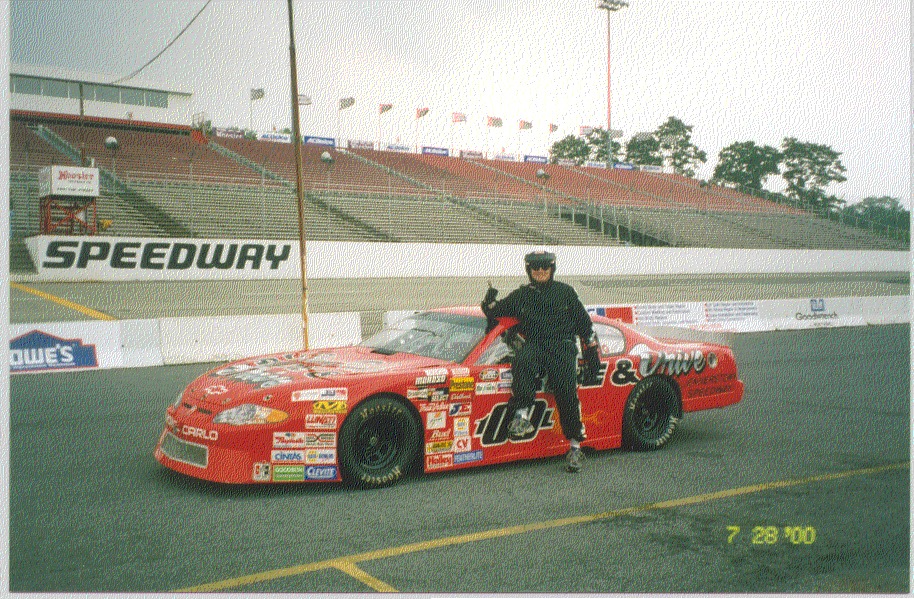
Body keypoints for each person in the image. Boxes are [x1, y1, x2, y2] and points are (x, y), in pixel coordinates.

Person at [481, 250, 601, 472]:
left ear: (552, 269)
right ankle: (522, 416)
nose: (540, 271)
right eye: (535, 268)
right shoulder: (522, 294)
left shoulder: (566, 292)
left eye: (545, 267)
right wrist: (488, 302)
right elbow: (494, 312)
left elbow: (586, 326)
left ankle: (575, 447)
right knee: (523, 360)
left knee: (565, 393)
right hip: (535, 344)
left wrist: (592, 355)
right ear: (529, 270)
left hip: (562, 346)